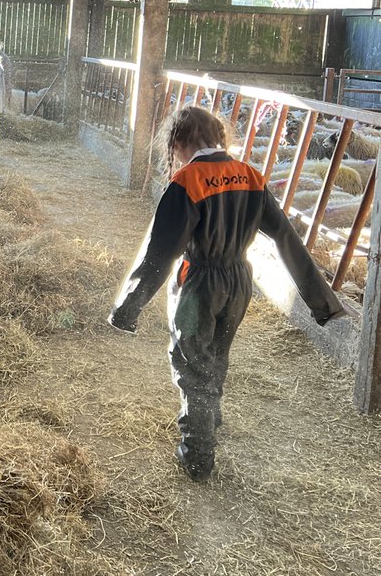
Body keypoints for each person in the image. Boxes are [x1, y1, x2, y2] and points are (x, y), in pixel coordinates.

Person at [108, 103, 345, 483]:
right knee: (216, 354)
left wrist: (127, 309)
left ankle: (197, 454)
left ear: (179, 141)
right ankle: (210, 418)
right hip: (238, 282)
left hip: (199, 285)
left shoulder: (188, 181)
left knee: (191, 362)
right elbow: (286, 237)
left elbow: (161, 252)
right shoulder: (250, 175)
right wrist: (323, 303)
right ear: (218, 136)